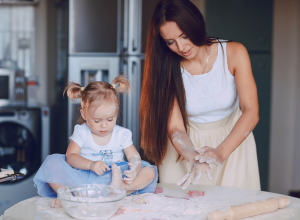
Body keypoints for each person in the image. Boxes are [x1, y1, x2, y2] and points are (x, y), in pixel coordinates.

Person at [139, 0, 260, 190]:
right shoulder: (167, 67)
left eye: (184, 35)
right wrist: (193, 157)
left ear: (195, 24)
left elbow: (251, 111)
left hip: (232, 144)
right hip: (184, 150)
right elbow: (176, 128)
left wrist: (220, 152)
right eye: (171, 42)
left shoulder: (234, 53)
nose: (181, 47)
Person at [33, 76, 158, 208]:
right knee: (51, 162)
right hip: (84, 178)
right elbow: (71, 157)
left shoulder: (122, 134)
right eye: (97, 121)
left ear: (116, 113)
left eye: (110, 119)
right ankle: (71, 197)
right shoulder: (82, 132)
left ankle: (119, 188)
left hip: (114, 177)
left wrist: (135, 169)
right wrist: (90, 164)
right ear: (84, 115)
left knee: (150, 171)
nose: (104, 125)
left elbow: (134, 156)